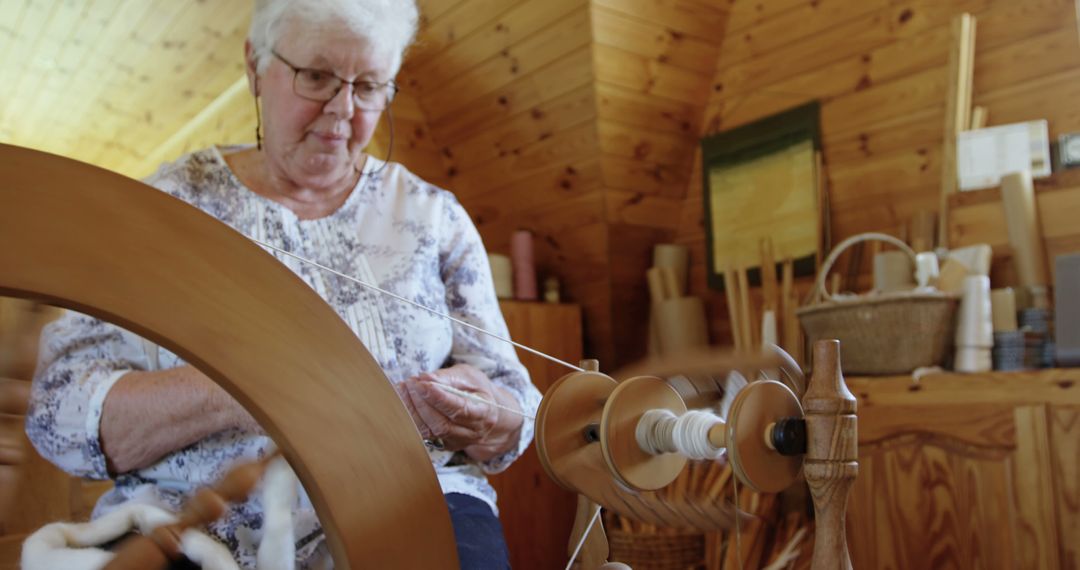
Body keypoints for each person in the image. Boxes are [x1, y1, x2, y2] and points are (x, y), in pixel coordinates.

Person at [25, 0, 541, 567]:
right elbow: (59, 413)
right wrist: (249, 386)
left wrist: (490, 413)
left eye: (369, 86)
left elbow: (516, 407)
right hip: (200, 520)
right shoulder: (162, 209)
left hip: (411, 497)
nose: (343, 109)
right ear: (255, 67)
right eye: (317, 77)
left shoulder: (431, 216)